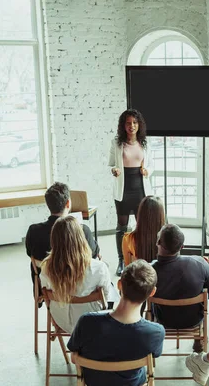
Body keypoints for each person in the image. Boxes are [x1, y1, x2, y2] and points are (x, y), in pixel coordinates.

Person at [68, 260, 165, 386]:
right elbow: (153, 357)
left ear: (119, 284)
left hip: (95, 384)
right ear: (152, 292)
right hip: (131, 385)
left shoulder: (86, 322)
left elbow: (74, 357)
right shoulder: (156, 332)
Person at [25, 182, 100, 300]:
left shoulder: (33, 231)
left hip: (50, 289)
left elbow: (31, 254)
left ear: (48, 205)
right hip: (79, 288)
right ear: (68, 203)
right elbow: (94, 254)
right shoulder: (82, 230)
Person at [39, 216, 114, 333]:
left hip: (62, 321)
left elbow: (45, 291)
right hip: (92, 321)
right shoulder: (98, 268)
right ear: (81, 238)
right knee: (113, 291)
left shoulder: (46, 268)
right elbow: (106, 297)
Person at [151, 224, 209, 332]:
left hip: (164, 320)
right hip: (193, 320)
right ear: (182, 247)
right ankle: (198, 340)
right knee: (203, 283)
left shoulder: (149, 271)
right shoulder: (199, 263)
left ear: (157, 242)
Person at [109, 109, 153, 276]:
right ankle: (122, 260)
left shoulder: (145, 143)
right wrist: (114, 170)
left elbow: (151, 164)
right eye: (128, 123)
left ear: (139, 124)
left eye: (134, 122)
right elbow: (111, 163)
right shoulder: (116, 143)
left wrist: (147, 170)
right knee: (122, 226)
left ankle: (141, 259)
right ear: (123, 125)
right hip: (123, 189)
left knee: (141, 226)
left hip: (140, 189)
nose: (131, 126)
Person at [122, 195, 165, 264]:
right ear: (161, 216)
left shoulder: (128, 239)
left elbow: (128, 267)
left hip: (139, 274)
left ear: (140, 214)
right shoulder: (168, 238)